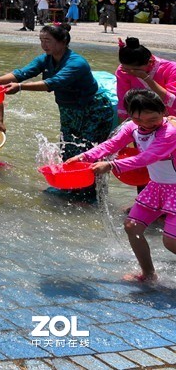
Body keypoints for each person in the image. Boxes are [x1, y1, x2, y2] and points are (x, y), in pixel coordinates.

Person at [0, 23, 117, 202]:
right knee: (69, 148)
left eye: (48, 40)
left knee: (88, 151)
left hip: (93, 110)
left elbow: (53, 82)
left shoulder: (76, 63)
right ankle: (71, 188)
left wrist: (20, 87)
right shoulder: (46, 59)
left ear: (63, 41)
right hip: (69, 110)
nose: (44, 44)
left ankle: (90, 196)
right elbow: (22, 73)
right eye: (41, 40)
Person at [70, 89, 176, 282]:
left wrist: (111, 165)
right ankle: (149, 274)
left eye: (152, 119)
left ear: (163, 111)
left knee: (171, 242)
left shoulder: (170, 132)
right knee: (132, 226)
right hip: (157, 187)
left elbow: (147, 157)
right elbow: (111, 145)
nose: (145, 125)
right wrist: (83, 156)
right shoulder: (132, 128)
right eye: (138, 120)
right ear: (130, 116)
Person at [115, 38, 176, 119]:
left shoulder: (171, 68)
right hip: (141, 117)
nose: (131, 72)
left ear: (150, 62)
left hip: (169, 116)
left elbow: (173, 102)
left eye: (135, 70)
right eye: (127, 69)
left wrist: (145, 77)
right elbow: (124, 102)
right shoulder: (123, 71)